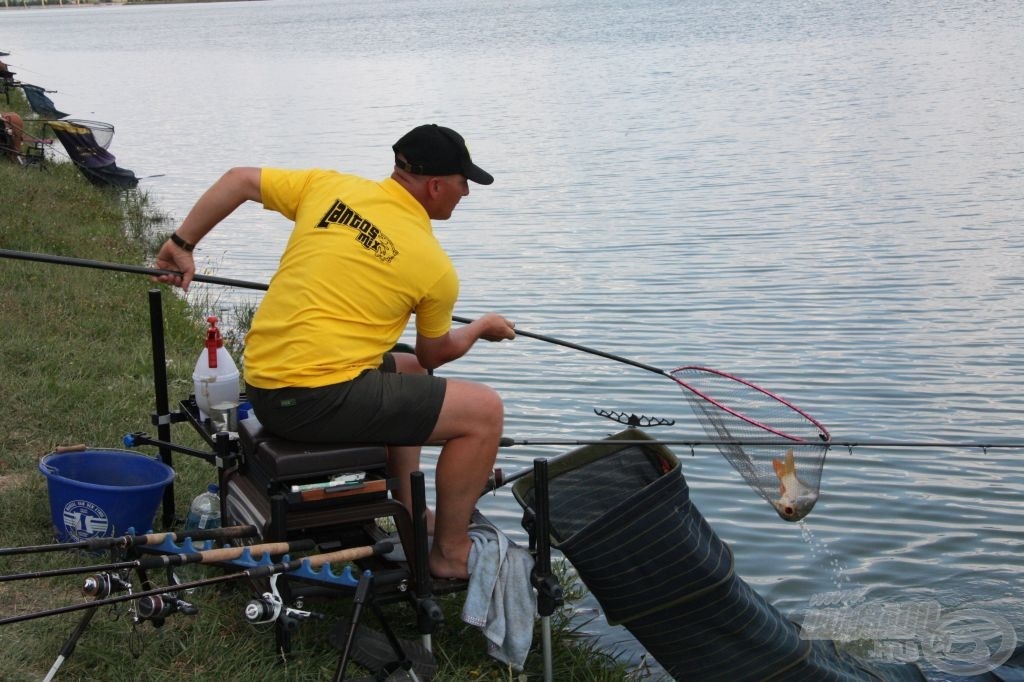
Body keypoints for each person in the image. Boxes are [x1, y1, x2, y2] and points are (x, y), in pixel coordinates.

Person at [154, 124, 516, 580]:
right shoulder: (432, 264)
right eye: (464, 183)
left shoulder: (332, 187)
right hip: (310, 401)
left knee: (405, 368)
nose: (467, 193)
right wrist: (482, 327)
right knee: (484, 412)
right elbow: (436, 353)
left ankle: (408, 508)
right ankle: (450, 550)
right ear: (436, 185)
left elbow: (239, 179)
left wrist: (181, 244)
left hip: (266, 382)